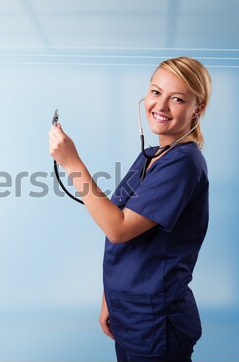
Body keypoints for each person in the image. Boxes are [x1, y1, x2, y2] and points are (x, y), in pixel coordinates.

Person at [48, 57, 211, 362]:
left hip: (155, 321)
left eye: (177, 99)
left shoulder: (183, 164)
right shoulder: (152, 156)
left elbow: (118, 228)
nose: (160, 106)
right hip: (130, 312)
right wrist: (109, 296)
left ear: (197, 109)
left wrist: (72, 164)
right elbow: (117, 220)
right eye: (155, 92)